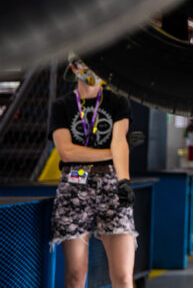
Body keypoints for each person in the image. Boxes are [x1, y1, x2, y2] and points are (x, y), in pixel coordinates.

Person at [49, 56, 137, 288]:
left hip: (111, 183)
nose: (89, 69)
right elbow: (66, 152)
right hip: (74, 183)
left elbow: (120, 142)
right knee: (76, 274)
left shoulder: (117, 102)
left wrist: (124, 180)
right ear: (72, 68)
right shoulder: (61, 106)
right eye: (83, 63)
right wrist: (111, 153)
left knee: (123, 276)